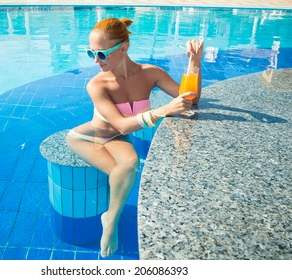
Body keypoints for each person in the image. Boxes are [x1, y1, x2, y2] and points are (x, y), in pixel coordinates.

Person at [66, 18, 203, 258]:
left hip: (117, 136)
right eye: (91, 53)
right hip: (87, 137)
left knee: (127, 169)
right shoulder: (97, 84)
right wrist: (162, 111)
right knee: (129, 166)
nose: (96, 61)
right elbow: (120, 124)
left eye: (101, 54)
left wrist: (194, 62)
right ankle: (111, 220)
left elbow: (190, 99)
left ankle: (110, 216)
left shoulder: (151, 73)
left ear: (123, 48)